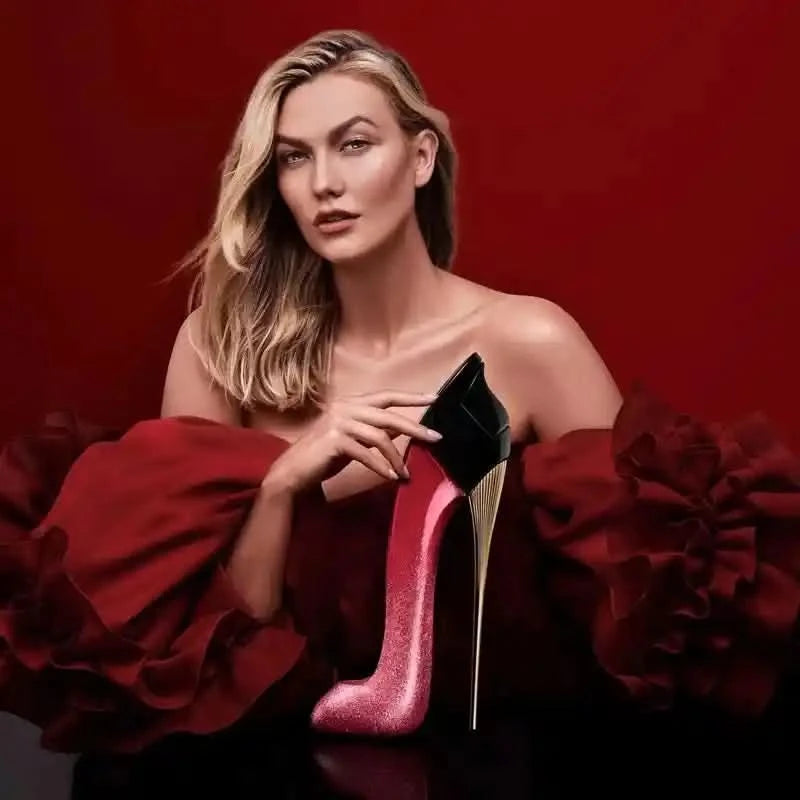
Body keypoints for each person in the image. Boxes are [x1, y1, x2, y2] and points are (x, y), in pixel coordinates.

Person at [1, 29, 799, 757]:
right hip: (267, 759)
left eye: (354, 145)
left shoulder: (530, 342)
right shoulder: (220, 349)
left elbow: (637, 613)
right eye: (293, 157)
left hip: (493, 759)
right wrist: (282, 483)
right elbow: (207, 663)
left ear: (420, 158)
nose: (325, 184)